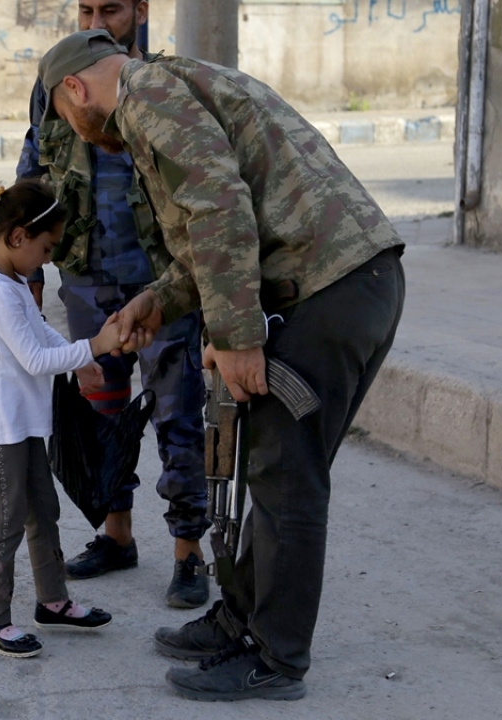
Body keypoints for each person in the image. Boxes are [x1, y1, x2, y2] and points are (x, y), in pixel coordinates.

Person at [37, 31, 406, 700]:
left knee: (285, 477)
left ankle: (276, 659)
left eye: (67, 119)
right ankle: (240, 621)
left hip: (328, 288)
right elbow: (207, 229)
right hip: (339, 284)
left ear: (74, 88)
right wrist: (158, 300)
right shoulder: (169, 85)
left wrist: (234, 336)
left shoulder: (144, 93)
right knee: (265, 468)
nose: (78, 134)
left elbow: (217, 204)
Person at [17, 1, 211, 609]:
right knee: (102, 408)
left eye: (111, 8)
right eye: (85, 8)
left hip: (161, 280)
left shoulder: (159, 84)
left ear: (141, 10)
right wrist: (27, 273)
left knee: (177, 414)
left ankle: (188, 552)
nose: (96, 20)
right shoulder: (57, 81)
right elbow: (33, 170)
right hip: (85, 276)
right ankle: (116, 534)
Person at [0, 178, 135, 658]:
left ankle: (53, 601)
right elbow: (35, 359)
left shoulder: (11, 280)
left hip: (22, 421)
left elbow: (38, 331)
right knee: (8, 521)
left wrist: (80, 359)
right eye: (47, 248)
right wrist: (94, 346)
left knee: (43, 510)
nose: (49, 259)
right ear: (18, 237)